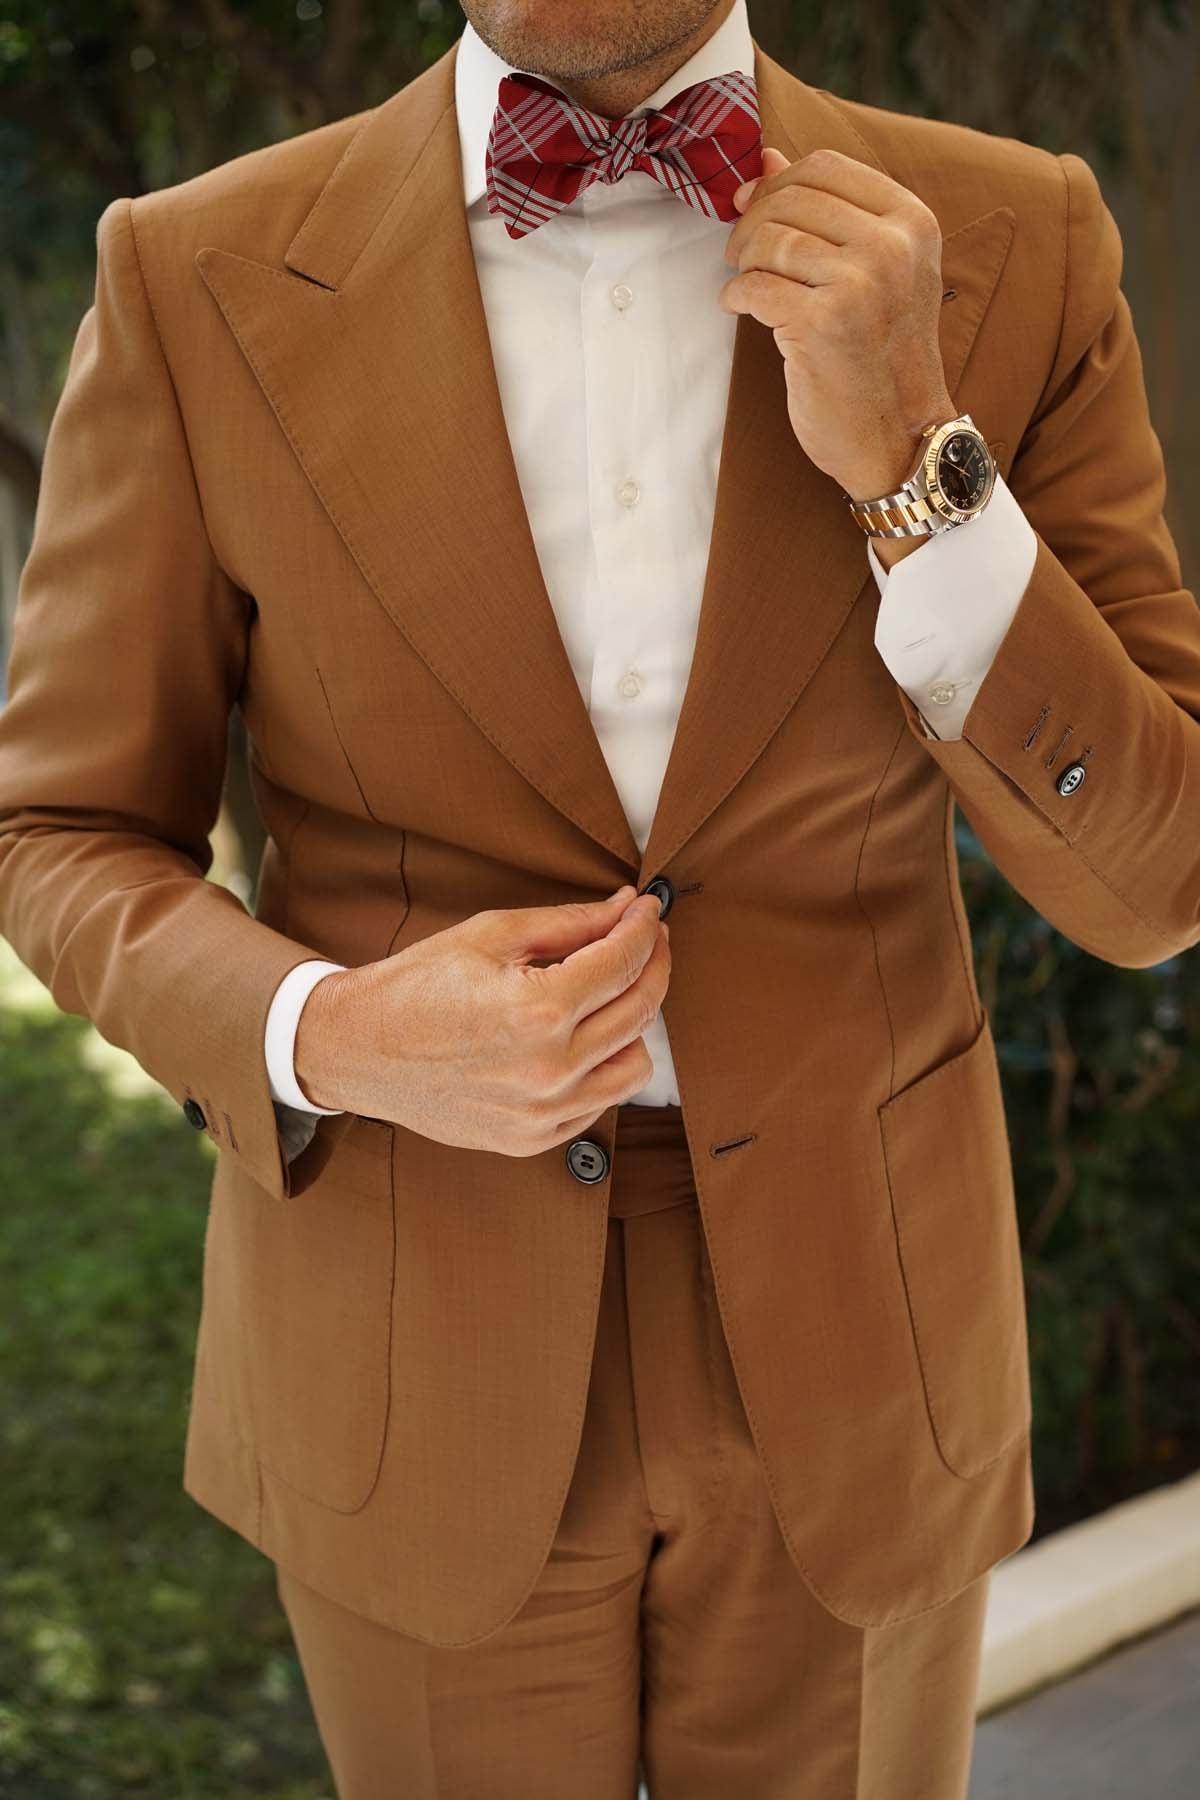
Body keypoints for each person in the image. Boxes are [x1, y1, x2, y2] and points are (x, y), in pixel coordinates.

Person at [2, 0, 1197, 1792]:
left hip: (862, 1347)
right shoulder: (193, 275)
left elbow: (1153, 880)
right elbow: (61, 831)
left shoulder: (1016, 235)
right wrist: (332, 1034)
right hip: (413, 1344)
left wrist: (918, 464)